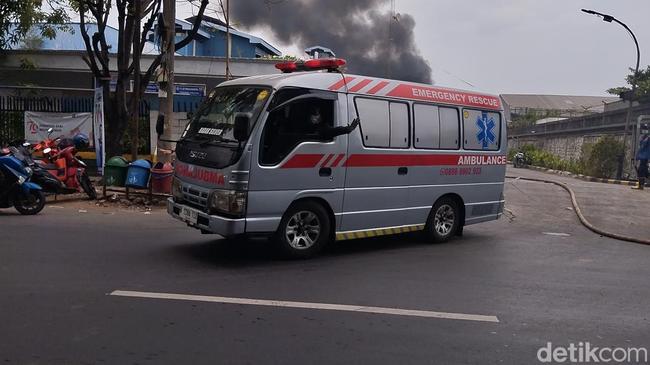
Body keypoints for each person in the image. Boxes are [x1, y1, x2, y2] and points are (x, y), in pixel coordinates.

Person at [633, 123, 650, 190]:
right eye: (643, 129)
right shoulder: (643, 138)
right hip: (642, 157)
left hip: (645, 157)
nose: (644, 130)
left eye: (645, 129)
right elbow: (641, 148)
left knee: (641, 171)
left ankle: (641, 186)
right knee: (644, 172)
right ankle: (641, 185)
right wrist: (637, 156)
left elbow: (647, 148)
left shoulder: (648, 138)